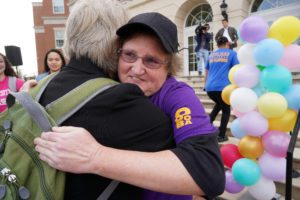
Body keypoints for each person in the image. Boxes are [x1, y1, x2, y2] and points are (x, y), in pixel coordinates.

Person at [29, 1, 224, 199]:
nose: (137, 69)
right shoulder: (111, 85)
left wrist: (94, 156)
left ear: (169, 67)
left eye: (152, 61)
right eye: (130, 55)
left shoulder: (177, 94)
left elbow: (209, 173)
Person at [203, 37, 239, 143]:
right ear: (227, 43)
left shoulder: (211, 55)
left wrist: (205, 85)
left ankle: (207, 125)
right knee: (226, 110)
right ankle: (221, 135)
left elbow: (206, 71)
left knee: (219, 104)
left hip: (210, 88)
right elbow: (236, 70)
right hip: (224, 88)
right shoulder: (231, 53)